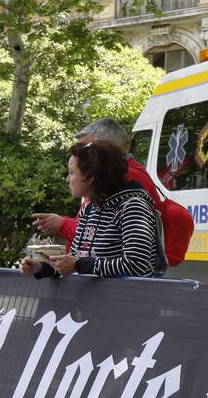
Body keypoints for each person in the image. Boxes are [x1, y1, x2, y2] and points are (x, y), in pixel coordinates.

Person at [32, 118, 190, 267]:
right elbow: (83, 251)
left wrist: (62, 226)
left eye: (86, 149)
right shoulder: (96, 201)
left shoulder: (130, 194)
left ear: (106, 149)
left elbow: (132, 262)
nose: (67, 178)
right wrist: (45, 268)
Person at [21, 141, 163, 281]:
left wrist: (78, 265)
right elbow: (76, 263)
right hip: (95, 302)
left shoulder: (132, 207)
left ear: (90, 177)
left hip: (126, 301)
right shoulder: (89, 208)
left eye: (71, 172)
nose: (67, 179)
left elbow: (137, 264)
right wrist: (40, 268)